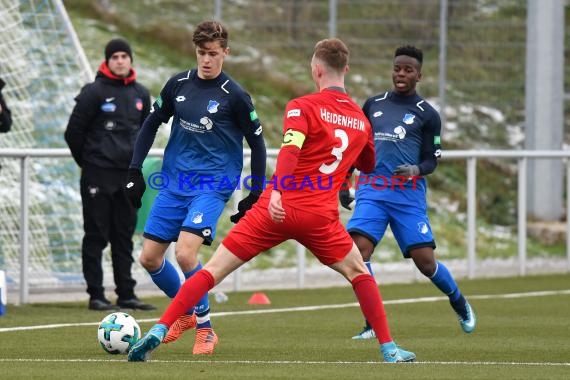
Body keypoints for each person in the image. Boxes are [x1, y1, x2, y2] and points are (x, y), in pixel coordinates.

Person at [127, 38, 416, 364]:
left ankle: (159, 329)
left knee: (212, 271)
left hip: (275, 208)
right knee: (359, 273)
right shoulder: (362, 121)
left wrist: (276, 190)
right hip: (320, 217)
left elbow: (291, 150)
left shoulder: (301, 106)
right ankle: (389, 347)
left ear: (315, 69)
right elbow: (366, 164)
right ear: (345, 69)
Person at [124, 20, 267, 355]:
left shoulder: (235, 96)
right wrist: (133, 169)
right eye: (202, 53)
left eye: (213, 54)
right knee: (148, 258)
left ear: (225, 53)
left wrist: (255, 191)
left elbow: (258, 144)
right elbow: (151, 123)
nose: (206, 60)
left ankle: (206, 328)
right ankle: (185, 311)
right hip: (175, 182)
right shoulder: (178, 84)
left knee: (185, 253)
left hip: (213, 184)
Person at [342, 45, 476, 340]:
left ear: (419, 75)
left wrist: (416, 170)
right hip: (373, 190)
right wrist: (345, 181)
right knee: (358, 252)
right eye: (397, 68)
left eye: (408, 70)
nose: (401, 74)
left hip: (407, 196)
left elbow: (432, 158)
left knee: (425, 262)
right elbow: (357, 148)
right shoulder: (373, 104)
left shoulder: (428, 115)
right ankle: (371, 323)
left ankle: (459, 301)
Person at [64, 38, 155, 312]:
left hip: (127, 175)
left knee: (123, 236)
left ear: (130, 60)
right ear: (107, 60)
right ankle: (96, 295)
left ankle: (126, 294)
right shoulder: (93, 92)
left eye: (123, 56)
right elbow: (73, 133)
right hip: (97, 174)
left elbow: (145, 133)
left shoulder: (141, 94)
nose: (119, 61)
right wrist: (90, 162)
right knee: (96, 235)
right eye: (114, 56)